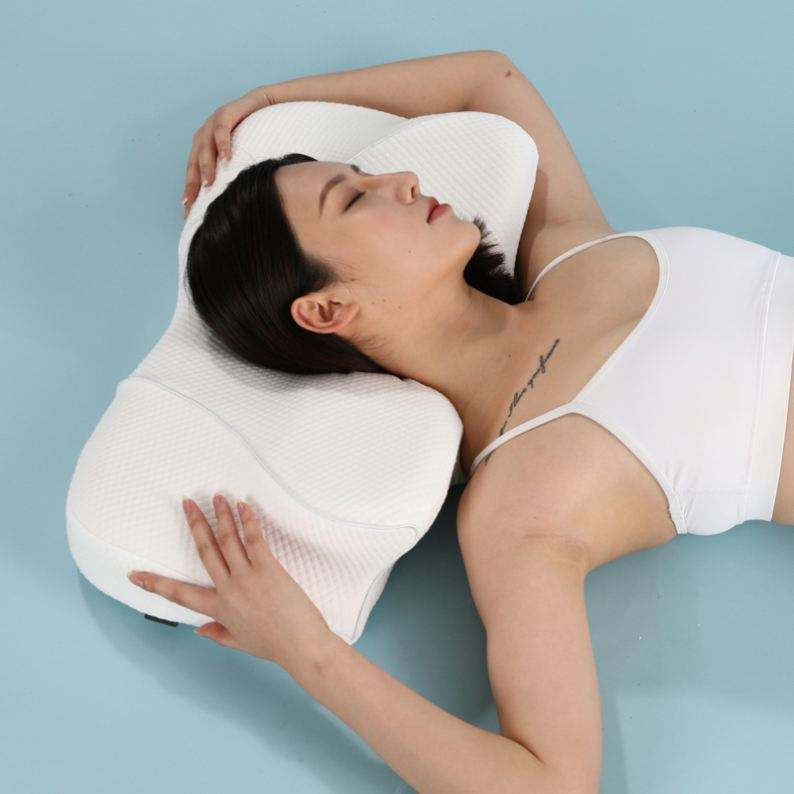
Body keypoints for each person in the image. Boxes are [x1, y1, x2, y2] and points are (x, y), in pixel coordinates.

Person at [128, 50, 794, 793]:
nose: (403, 180)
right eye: (353, 199)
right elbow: (553, 783)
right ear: (327, 309)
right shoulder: (518, 505)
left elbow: (487, 80)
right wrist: (309, 653)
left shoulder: (568, 251)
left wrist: (267, 101)